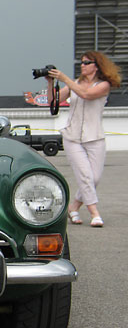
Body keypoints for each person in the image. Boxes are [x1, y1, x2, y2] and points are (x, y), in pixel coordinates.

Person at [45, 51, 122, 228]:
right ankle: (94, 213)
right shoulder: (75, 84)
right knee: (85, 175)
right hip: (72, 137)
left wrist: (65, 78)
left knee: (94, 178)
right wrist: (51, 83)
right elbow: (52, 101)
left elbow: (87, 94)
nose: (82, 65)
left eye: (87, 62)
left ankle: (73, 207)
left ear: (97, 65)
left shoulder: (103, 85)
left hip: (95, 137)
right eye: (81, 62)